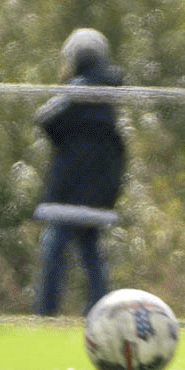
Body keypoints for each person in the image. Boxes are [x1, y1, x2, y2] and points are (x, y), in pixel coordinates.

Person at [32, 28, 127, 317]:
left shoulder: (77, 90)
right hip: (100, 188)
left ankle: (46, 313)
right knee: (92, 254)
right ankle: (100, 313)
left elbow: (45, 118)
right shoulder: (111, 92)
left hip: (68, 186)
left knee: (54, 252)